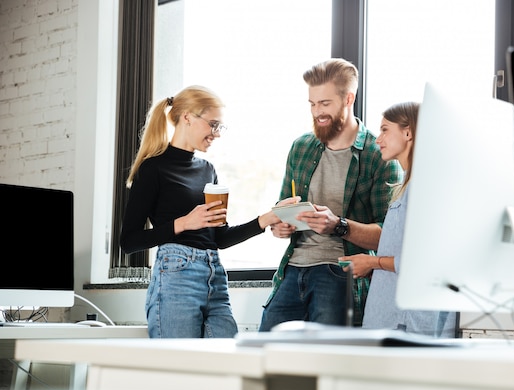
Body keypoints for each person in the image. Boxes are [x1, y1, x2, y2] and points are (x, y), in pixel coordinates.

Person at [120, 85, 292, 338]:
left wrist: (266, 219)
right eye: (213, 125)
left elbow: (219, 238)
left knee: (225, 362)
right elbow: (129, 242)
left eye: (220, 127)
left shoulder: (208, 170)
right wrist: (182, 223)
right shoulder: (153, 169)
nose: (217, 134)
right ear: (187, 116)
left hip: (214, 274)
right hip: (177, 275)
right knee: (181, 367)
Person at [259, 58, 402, 331]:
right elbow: (281, 207)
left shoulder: (378, 154)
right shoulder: (300, 147)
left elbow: (391, 236)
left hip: (338, 272)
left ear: (348, 98)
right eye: (312, 104)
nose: (317, 112)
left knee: (324, 363)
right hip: (291, 270)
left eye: (325, 104)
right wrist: (281, 226)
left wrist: (338, 225)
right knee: (264, 354)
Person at [339, 102, 456, 337]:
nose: (377, 139)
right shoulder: (407, 186)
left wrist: (372, 262)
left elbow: (425, 263)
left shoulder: (425, 187)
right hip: (391, 319)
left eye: (384, 130)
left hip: (405, 323)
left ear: (408, 132)